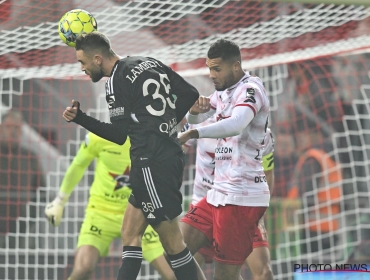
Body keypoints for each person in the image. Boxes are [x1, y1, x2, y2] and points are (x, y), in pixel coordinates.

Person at [62, 31, 205, 280]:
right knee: (130, 233)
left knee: (173, 244)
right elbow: (189, 93)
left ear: (97, 59)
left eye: (82, 62)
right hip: (157, 159)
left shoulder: (115, 81)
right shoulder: (147, 61)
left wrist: (81, 118)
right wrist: (166, 126)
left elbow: (118, 135)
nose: (82, 69)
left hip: (151, 163)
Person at [177, 38, 270, 280]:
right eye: (209, 68)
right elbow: (196, 118)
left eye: (217, 69)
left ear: (236, 66)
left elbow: (237, 124)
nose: (211, 75)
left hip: (241, 197)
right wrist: (193, 114)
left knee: (227, 276)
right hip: (217, 195)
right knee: (176, 249)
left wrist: (195, 131)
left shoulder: (251, 89)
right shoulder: (223, 93)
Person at [44, 132, 176, 280]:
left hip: (140, 216)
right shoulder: (98, 137)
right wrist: (60, 201)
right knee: (83, 268)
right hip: (101, 214)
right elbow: (78, 165)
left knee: (172, 275)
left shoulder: (152, 137)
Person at [183, 118, 275, 280]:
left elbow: (267, 173)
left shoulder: (262, 134)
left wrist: (260, 214)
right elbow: (178, 146)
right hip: (203, 207)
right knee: (179, 260)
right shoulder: (202, 124)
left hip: (240, 207)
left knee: (263, 272)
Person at [0, 109, 45, 249]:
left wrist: (31, 216)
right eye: (9, 127)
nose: (13, 131)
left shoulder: (30, 157)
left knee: (21, 266)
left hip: (23, 227)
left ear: (22, 131)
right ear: (0, 129)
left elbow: (41, 190)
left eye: (17, 127)